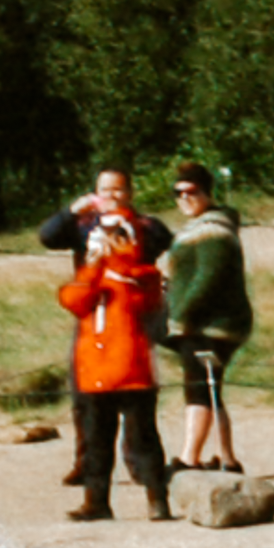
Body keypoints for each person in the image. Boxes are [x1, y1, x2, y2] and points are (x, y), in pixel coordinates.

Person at [60, 206, 176, 521]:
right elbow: (73, 300)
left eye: (118, 233)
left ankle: (157, 500)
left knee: (144, 439)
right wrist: (94, 266)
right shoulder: (94, 273)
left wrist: (119, 259)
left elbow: (144, 299)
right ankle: (96, 501)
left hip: (132, 370)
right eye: (105, 233)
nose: (110, 240)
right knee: (97, 441)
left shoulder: (143, 274)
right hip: (96, 371)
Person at [157, 164, 258, 476]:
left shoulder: (213, 228)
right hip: (207, 323)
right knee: (211, 389)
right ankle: (226, 458)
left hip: (210, 324)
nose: (185, 198)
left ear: (207, 192)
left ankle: (189, 458)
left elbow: (209, 277)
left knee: (199, 389)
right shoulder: (199, 226)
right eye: (179, 193)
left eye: (192, 191)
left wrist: (181, 314)